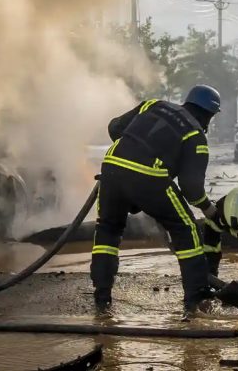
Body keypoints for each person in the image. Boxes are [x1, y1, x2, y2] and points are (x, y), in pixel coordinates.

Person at [92, 85, 221, 315]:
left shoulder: (153, 104)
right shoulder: (195, 135)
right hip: (150, 177)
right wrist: (209, 209)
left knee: (108, 230)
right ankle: (197, 300)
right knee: (187, 229)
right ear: (209, 114)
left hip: (111, 169)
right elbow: (192, 189)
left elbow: (115, 127)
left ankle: (102, 298)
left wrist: (132, 148)